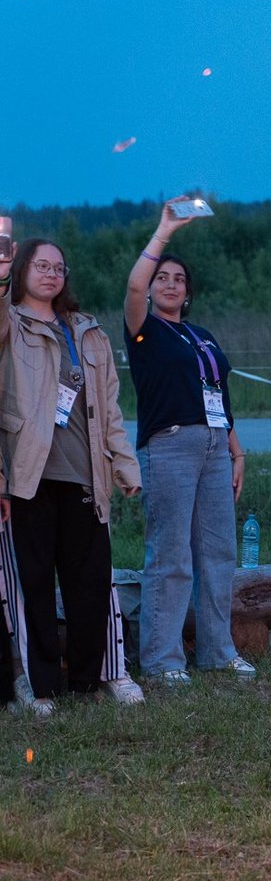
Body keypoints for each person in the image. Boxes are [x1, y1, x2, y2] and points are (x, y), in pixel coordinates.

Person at [0, 239, 146, 712]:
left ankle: (98, 675)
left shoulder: (85, 330)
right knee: (34, 584)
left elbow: (110, 409)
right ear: (22, 269)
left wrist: (124, 464)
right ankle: (38, 686)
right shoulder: (11, 324)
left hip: (85, 474)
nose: (50, 274)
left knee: (92, 581)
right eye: (40, 265)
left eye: (59, 268)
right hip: (28, 474)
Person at [123, 198, 255, 687]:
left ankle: (219, 651)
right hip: (170, 446)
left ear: (189, 292)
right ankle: (162, 659)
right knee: (171, 555)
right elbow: (134, 284)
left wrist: (236, 450)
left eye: (178, 279)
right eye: (163, 278)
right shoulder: (145, 331)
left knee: (218, 553)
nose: (170, 284)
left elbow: (219, 394)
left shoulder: (201, 335)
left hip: (215, 446)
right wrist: (164, 234)